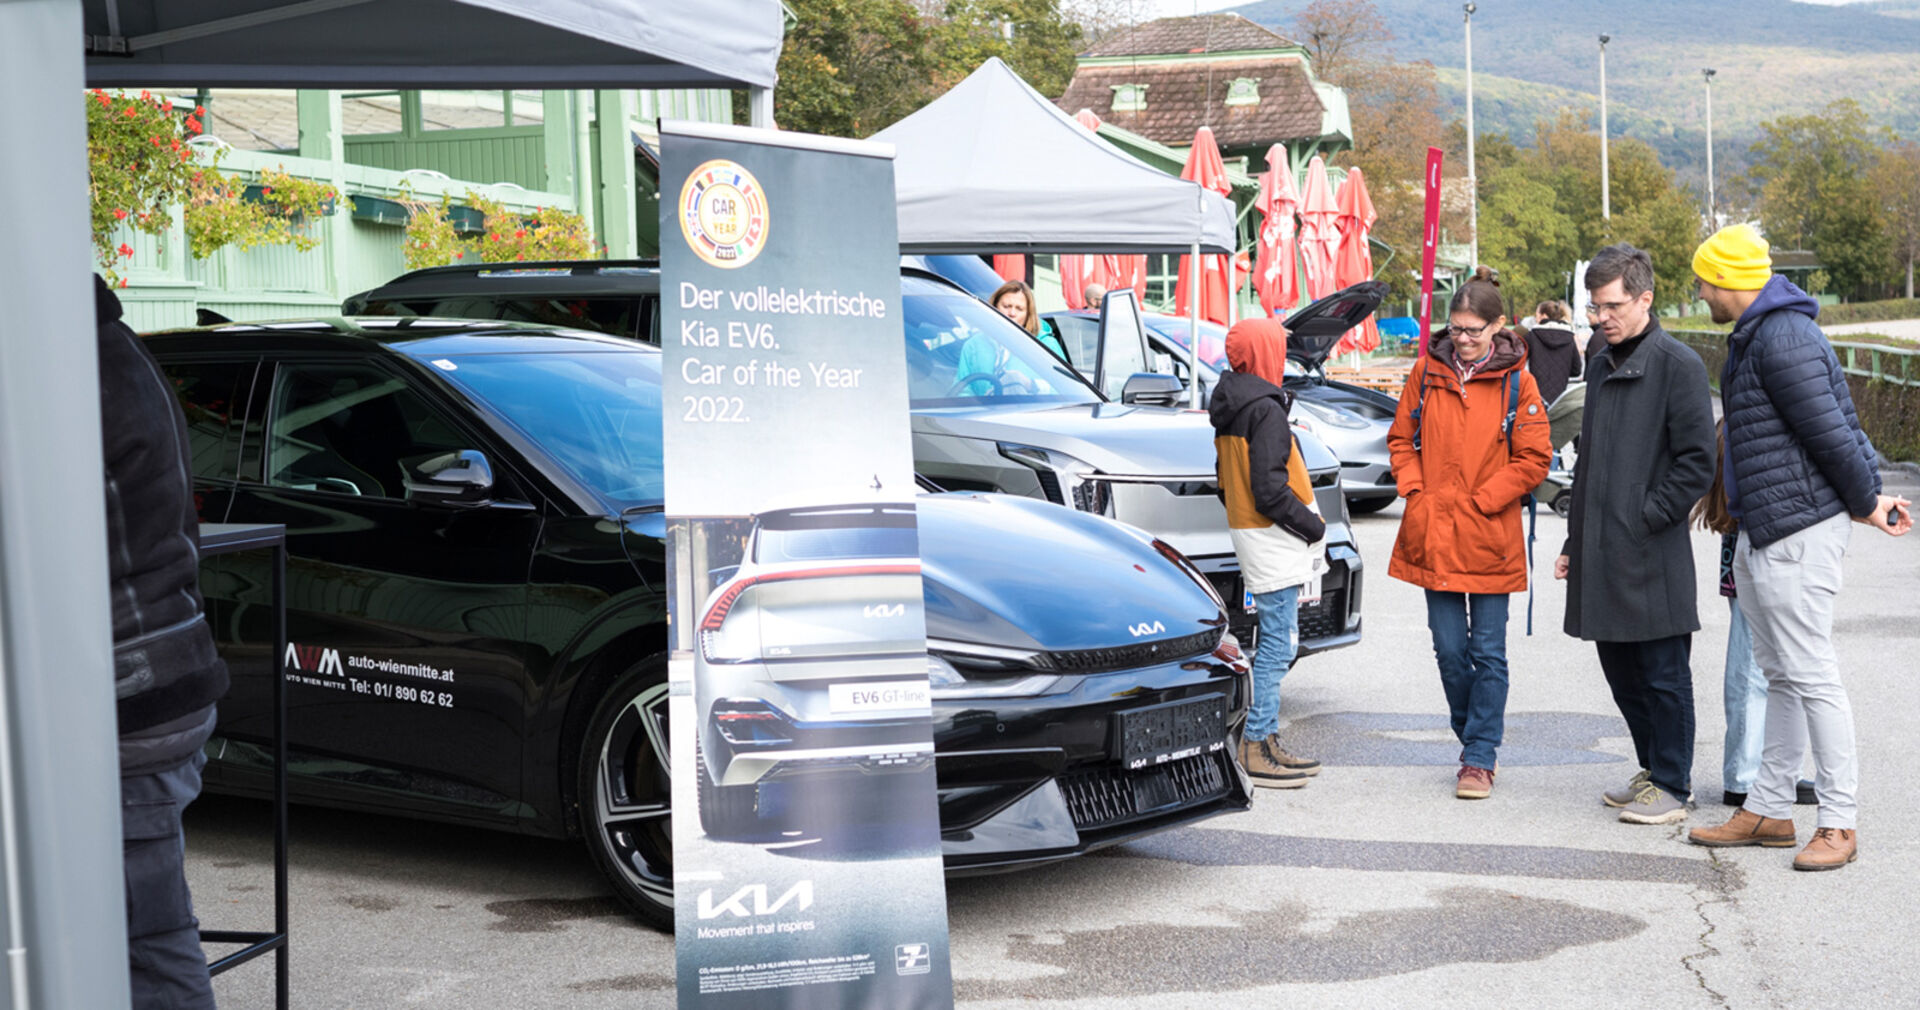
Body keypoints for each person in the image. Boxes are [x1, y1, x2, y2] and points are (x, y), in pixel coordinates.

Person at [1684, 225, 1912, 870]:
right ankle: (1768, 808)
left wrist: (1867, 502)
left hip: (1797, 531)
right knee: (1782, 674)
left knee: (1811, 674)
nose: (1699, 294)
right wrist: (1868, 496)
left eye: (1702, 282)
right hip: (1767, 528)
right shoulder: (1766, 333)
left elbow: (1833, 433)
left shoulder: (1781, 337)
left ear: (1726, 280)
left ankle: (1839, 821)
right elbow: (1842, 422)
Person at [98, 274, 229, 1008]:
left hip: (132, 691)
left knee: (147, 945)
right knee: (142, 937)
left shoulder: (67, 368)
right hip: (159, 674)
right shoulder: (114, 351)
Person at [1554, 243, 1716, 826]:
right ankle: (1652, 770)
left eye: (1612, 306)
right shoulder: (1600, 361)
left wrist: (1644, 516)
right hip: (1601, 547)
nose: (1601, 318)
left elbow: (1697, 464)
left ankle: (1674, 784)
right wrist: (1574, 539)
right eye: (1595, 307)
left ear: (1644, 299)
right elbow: (1590, 462)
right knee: (1621, 674)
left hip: (1651, 550)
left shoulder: (1679, 365)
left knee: (1663, 676)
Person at [1387, 266, 1551, 800]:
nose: (1461, 339)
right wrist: (1416, 490)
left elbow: (1535, 458)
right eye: (1455, 328)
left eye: (1472, 330)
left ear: (1498, 326)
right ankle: (1472, 738)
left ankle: (1479, 755)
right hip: (1434, 530)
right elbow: (1400, 439)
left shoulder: (1518, 382)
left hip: (1488, 533)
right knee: (1449, 650)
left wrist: (1484, 500)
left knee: (1488, 651)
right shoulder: (1426, 371)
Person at [1209, 317, 1326, 788]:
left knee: (1277, 640)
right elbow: (1271, 490)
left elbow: (1225, 482)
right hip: (1274, 536)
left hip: (1250, 533)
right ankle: (1256, 743)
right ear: (1267, 353)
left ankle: (1266, 737)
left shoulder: (1232, 404)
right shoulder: (1265, 408)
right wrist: (1313, 526)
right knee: (1280, 643)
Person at [1524, 300, 1582, 406]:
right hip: (1559, 398)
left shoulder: (1531, 336)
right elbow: (1576, 370)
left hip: (1536, 396)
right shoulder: (1569, 337)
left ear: (1543, 316)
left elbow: (1519, 365)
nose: (1535, 318)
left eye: (1537, 315)